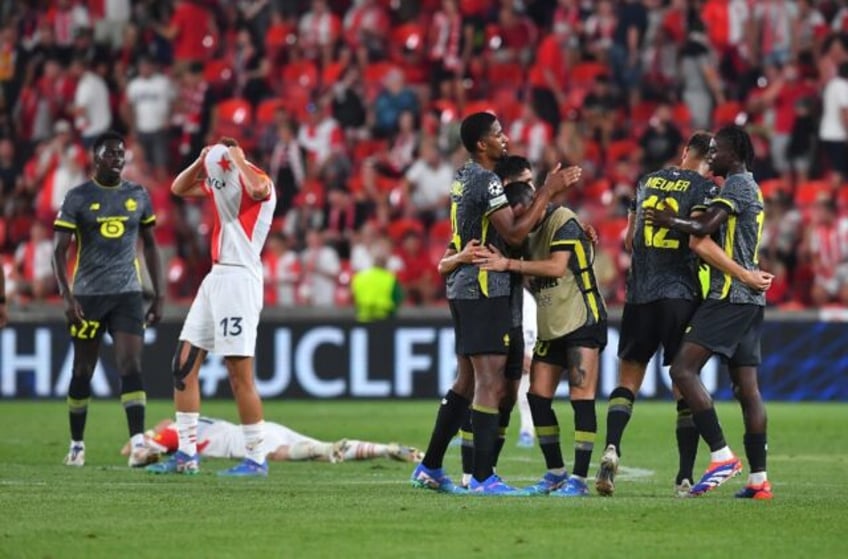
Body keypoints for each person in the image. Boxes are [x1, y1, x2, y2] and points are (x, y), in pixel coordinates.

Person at [596, 132, 774, 497]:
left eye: (718, 151)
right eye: (710, 153)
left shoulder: (649, 181)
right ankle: (698, 477)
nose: (713, 158)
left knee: (667, 372)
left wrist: (666, 220)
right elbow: (700, 237)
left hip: (664, 293)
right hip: (690, 295)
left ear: (683, 152)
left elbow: (686, 236)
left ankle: (716, 455)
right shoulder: (717, 188)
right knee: (739, 388)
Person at [410, 112, 579, 495]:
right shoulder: (486, 181)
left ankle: (431, 466)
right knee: (489, 380)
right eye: (498, 134)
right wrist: (548, 191)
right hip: (485, 288)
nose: (505, 139)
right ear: (481, 144)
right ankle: (483, 478)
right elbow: (516, 233)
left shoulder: (462, 176)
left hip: (465, 287)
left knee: (467, 380)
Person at [147, 138, 276, 478]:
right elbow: (179, 187)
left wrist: (237, 158)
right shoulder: (223, 185)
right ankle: (187, 455)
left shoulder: (254, 179)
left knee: (238, 374)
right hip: (215, 277)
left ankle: (256, 458)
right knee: (182, 365)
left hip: (240, 280)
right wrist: (200, 160)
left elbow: (260, 189)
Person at [477, 180, 606, 497]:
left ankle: (578, 479)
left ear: (533, 204)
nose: (521, 223)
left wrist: (509, 263)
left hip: (582, 318)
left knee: (581, 397)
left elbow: (557, 267)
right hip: (552, 323)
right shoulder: (524, 234)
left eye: (523, 214)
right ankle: (556, 472)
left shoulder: (564, 220)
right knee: (537, 396)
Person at [52, 130, 164, 468]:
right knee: (83, 370)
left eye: (121, 153)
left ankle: (138, 444)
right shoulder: (78, 197)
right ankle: (76, 444)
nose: (118, 159)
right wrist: (67, 296)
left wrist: (158, 295)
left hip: (128, 295)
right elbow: (58, 252)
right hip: (88, 296)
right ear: (95, 157)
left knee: (131, 364)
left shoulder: (138, 195)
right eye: (111, 153)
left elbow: (152, 246)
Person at [122, 417, 423, 464]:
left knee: (290, 454)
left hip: (241, 441)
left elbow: (135, 451)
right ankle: (386, 448)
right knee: (324, 446)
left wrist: (144, 442)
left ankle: (324, 450)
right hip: (262, 426)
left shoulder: (172, 430)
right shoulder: (195, 420)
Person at [351, 237, 403, 322]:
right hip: (385, 320)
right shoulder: (390, 278)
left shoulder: (359, 277)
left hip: (363, 319)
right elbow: (398, 298)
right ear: (386, 262)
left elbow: (352, 297)